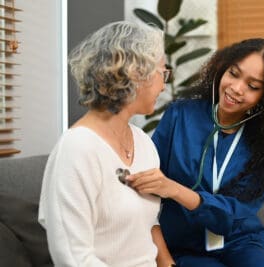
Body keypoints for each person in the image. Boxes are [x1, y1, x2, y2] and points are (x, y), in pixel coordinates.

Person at [128, 38, 264, 267]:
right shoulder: (180, 116)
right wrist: (164, 259)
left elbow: (235, 212)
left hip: (239, 241)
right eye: (234, 73)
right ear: (222, 68)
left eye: (253, 86)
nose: (237, 88)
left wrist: (175, 189)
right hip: (183, 241)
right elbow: (148, 191)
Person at [38, 21, 176, 267]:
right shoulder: (76, 149)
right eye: (162, 72)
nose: (164, 85)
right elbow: (72, 257)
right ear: (136, 73)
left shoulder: (143, 143)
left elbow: (147, 226)